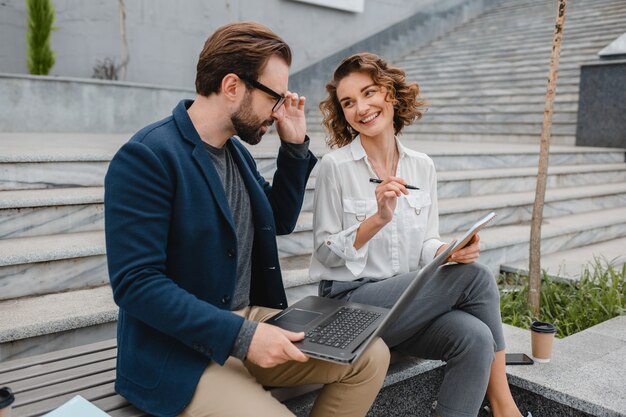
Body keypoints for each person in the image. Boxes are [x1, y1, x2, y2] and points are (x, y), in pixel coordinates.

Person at [104, 24, 389, 417]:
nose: (279, 110)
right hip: (178, 350)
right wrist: (242, 335)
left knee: (370, 355)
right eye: (275, 97)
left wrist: (293, 147)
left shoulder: (236, 153)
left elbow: (279, 221)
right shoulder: (147, 157)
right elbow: (136, 285)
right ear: (233, 86)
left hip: (247, 321)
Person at [310, 52, 528, 417]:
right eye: (348, 102)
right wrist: (376, 219)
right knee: (476, 278)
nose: (361, 107)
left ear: (391, 95)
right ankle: (505, 407)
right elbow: (323, 254)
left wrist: (448, 250)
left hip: (406, 303)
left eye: (369, 93)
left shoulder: (422, 166)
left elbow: (427, 240)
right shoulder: (335, 168)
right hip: (349, 305)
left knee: (476, 339)